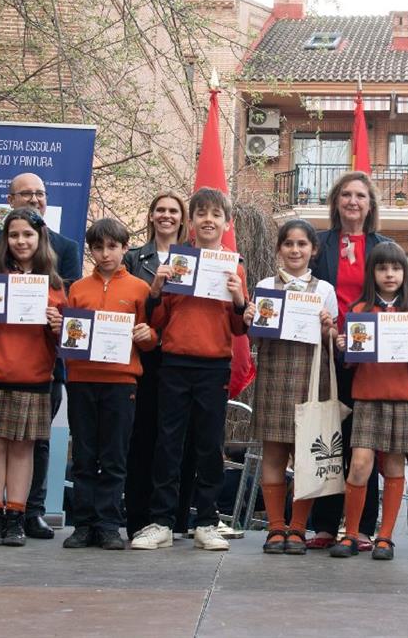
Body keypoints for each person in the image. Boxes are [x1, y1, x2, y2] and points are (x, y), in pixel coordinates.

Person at [0, 173, 82, 540]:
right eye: (14, 235)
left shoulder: (56, 277)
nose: (20, 241)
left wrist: (58, 323)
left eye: (27, 235)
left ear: (39, 237)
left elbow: (70, 326)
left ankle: (21, 515)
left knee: (25, 448)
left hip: (35, 373)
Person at [131, 188, 248, 552]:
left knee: (209, 445)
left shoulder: (235, 267)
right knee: (168, 443)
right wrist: (156, 288)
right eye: (201, 214)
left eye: (216, 214)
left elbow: (239, 328)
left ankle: (207, 521)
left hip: (214, 365)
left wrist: (239, 298)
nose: (208, 220)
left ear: (227, 223)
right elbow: (157, 320)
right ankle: (162, 521)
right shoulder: (177, 262)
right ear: (191, 222)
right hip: (175, 363)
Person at [329, 242, 408, 560]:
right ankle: (351, 534)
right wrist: (343, 348)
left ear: (405, 273)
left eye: (396, 268)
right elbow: (349, 363)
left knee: (393, 465)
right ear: (372, 273)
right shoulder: (359, 310)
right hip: (367, 396)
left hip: (403, 397)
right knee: (359, 464)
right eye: (382, 268)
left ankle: (385, 537)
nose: (389, 274)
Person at [58, 219, 156, 550]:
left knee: (114, 457)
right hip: (82, 381)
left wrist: (147, 335)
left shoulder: (140, 289)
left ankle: (109, 525)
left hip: (120, 382)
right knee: (84, 455)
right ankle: (83, 524)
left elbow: (151, 337)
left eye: (112, 246)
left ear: (125, 248)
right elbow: (69, 335)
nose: (105, 254)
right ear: (90, 251)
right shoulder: (78, 289)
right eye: (98, 247)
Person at [307, 171, 392, 551]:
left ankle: (362, 528)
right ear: (336, 202)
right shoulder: (317, 244)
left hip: (369, 361)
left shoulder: (384, 247)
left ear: (370, 204)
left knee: (364, 443)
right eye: (346, 195)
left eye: (360, 195)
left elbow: (396, 295)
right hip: (326, 354)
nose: (352, 201)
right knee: (329, 438)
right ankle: (325, 526)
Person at [245, 219, 337, 556]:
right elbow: (255, 338)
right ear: (279, 249)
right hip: (274, 375)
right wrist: (249, 320)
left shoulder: (325, 290)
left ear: (313, 250)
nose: (295, 250)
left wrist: (328, 327)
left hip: (310, 378)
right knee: (273, 454)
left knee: (306, 459)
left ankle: (297, 528)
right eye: (288, 244)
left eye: (302, 244)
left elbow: (333, 339)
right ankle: (275, 527)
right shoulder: (264, 286)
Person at [121, 191, 195, 538]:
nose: (166, 215)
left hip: (183, 358)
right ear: (151, 216)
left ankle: (175, 519)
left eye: (173, 211)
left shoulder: (197, 259)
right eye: (160, 210)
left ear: (182, 219)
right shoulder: (133, 258)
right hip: (145, 359)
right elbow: (123, 304)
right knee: (143, 436)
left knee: (181, 440)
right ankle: (138, 518)